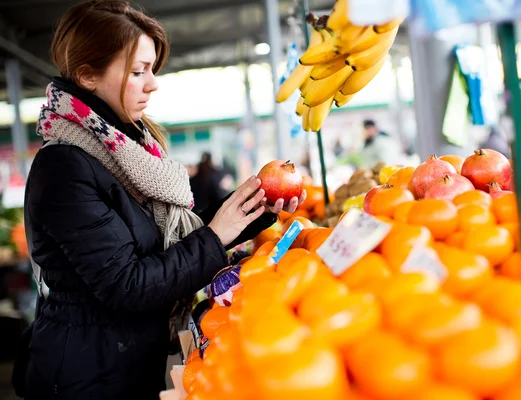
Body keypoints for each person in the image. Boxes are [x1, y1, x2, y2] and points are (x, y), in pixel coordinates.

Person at [16, 1, 305, 399]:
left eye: (152, 69)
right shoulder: (64, 166)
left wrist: (255, 210)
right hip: (85, 376)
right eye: (138, 72)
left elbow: (161, 243)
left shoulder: (131, 149)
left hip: (127, 362)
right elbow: (128, 283)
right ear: (87, 75)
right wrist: (216, 237)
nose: (153, 83)